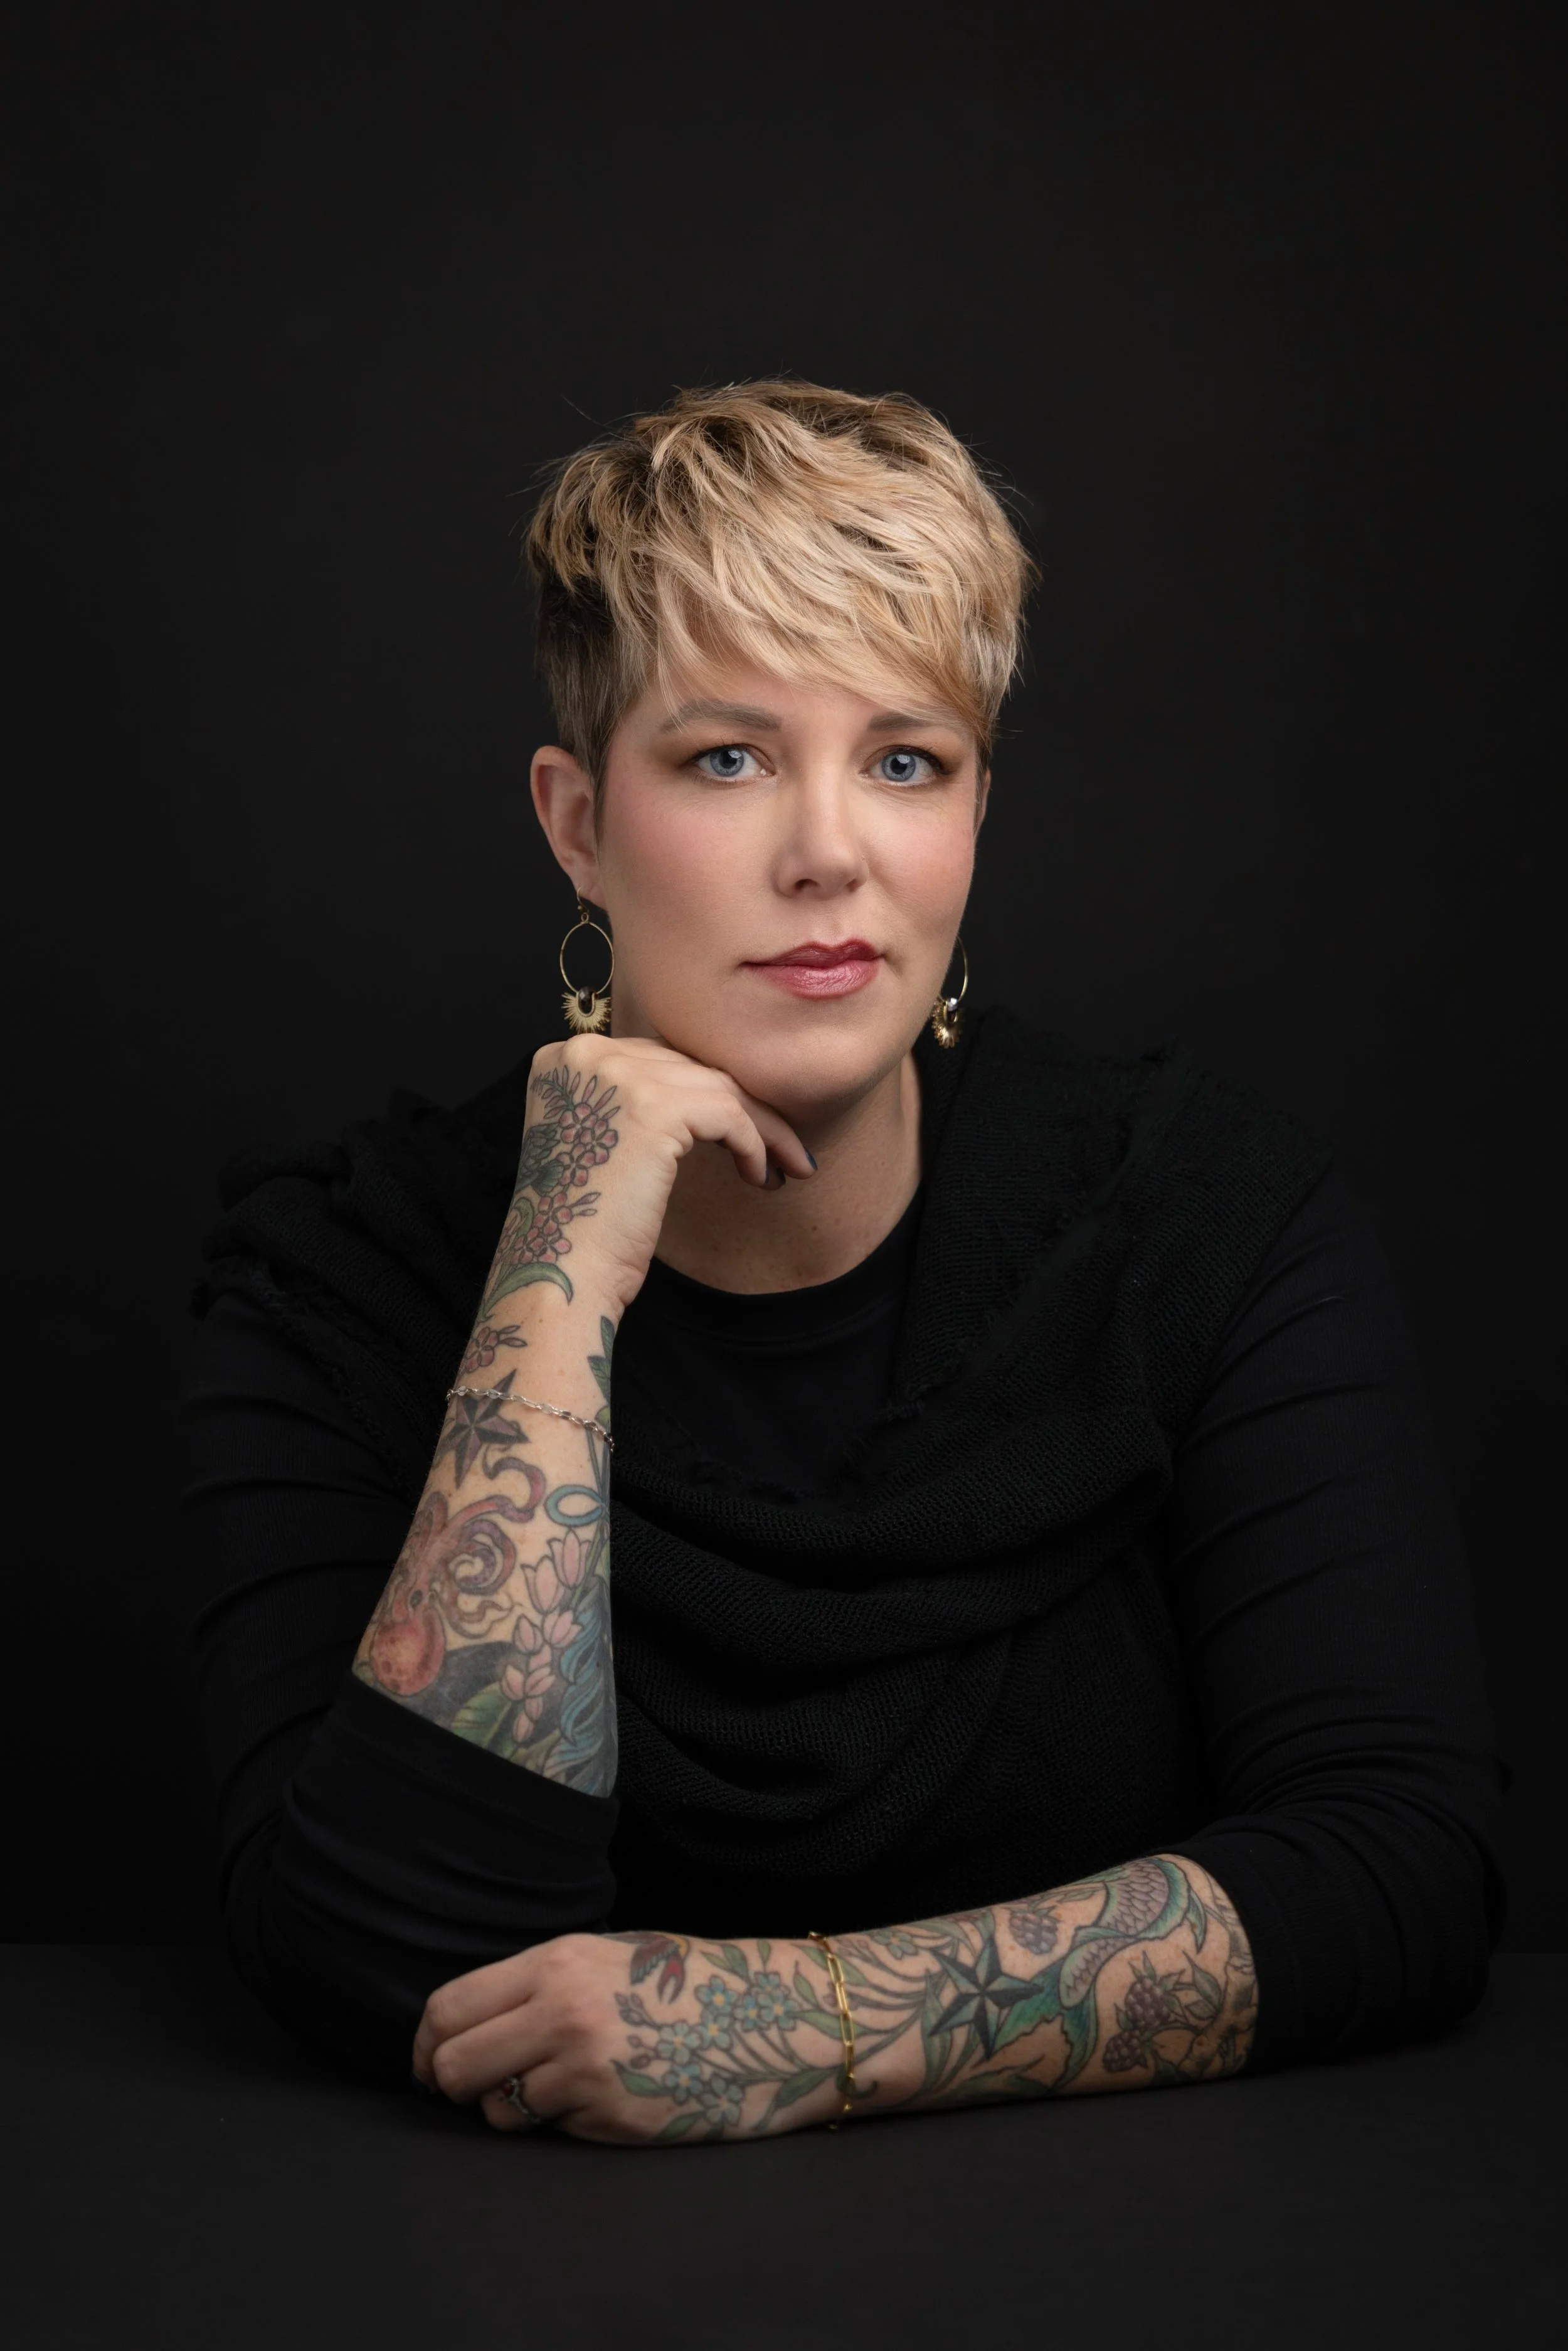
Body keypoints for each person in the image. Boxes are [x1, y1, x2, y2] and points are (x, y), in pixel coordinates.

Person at [183, 379, 1505, 2146]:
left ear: (971, 808)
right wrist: (561, 1254)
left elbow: (1399, 1861)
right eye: (724, 756)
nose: (830, 854)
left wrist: (791, 2023)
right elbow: (384, 1948)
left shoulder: (1200, 1218)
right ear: (577, 820)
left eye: (906, 758)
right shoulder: (335, 1273)